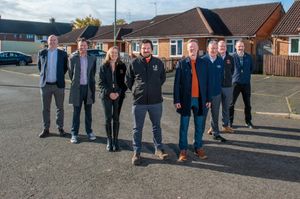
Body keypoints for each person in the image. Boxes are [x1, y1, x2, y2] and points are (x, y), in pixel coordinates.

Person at [125, 39, 168, 165]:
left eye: (148, 48)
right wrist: (136, 90)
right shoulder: (134, 63)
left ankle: (158, 149)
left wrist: (154, 88)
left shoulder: (158, 62)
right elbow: (128, 80)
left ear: (151, 49)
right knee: (137, 128)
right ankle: (137, 152)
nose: (146, 50)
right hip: (139, 101)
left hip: (156, 101)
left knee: (156, 126)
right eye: (143, 48)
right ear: (140, 49)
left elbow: (162, 78)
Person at [173, 39, 212, 162]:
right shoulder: (182, 63)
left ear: (198, 49)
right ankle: (183, 150)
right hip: (185, 100)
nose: (192, 49)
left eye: (194, 47)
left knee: (199, 125)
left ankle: (198, 147)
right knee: (184, 126)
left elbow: (208, 83)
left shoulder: (204, 63)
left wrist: (209, 98)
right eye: (190, 48)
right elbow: (176, 84)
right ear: (187, 49)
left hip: (200, 100)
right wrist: (176, 100)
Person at [38, 35, 68, 138]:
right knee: (45, 108)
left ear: (57, 42)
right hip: (45, 85)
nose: (53, 41)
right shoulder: (42, 53)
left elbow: (64, 68)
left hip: (58, 85)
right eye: (51, 40)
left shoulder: (63, 54)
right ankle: (46, 129)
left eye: (54, 40)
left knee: (60, 108)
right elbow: (40, 67)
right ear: (48, 41)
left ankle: (60, 128)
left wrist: (58, 77)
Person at [69, 38, 97, 144]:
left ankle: (89, 132)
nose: (83, 47)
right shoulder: (72, 58)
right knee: (76, 113)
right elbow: (71, 73)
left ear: (87, 46)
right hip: (77, 89)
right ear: (78, 46)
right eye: (81, 45)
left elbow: (93, 73)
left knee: (88, 112)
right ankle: (74, 134)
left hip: (88, 88)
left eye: (84, 45)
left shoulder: (92, 58)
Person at [99, 46, 127, 152]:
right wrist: (110, 93)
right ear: (109, 54)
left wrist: (118, 93)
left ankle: (115, 141)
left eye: (116, 53)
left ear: (118, 54)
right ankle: (109, 141)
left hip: (118, 96)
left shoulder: (122, 66)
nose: (114, 54)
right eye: (112, 52)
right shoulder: (103, 66)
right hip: (106, 96)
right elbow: (100, 83)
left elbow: (124, 82)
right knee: (108, 119)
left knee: (116, 118)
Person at [203, 40, 227, 142]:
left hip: (216, 93)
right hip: (204, 95)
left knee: (215, 114)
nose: (213, 50)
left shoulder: (220, 61)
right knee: (202, 116)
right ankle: (199, 137)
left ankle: (216, 133)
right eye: (211, 48)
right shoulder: (203, 60)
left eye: (215, 48)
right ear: (207, 49)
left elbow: (221, 76)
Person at [229, 40, 254, 129]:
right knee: (231, 104)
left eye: (242, 46)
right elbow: (229, 70)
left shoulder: (248, 57)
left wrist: (245, 76)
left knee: (248, 104)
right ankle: (230, 122)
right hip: (235, 83)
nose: (240, 48)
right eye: (239, 46)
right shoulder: (232, 57)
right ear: (235, 47)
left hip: (246, 83)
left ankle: (248, 121)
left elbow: (251, 68)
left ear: (244, 47)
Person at [218, 40, 234, 133]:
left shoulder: (230, 58)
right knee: (215, 108)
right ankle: (213, 126)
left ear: (226, 47)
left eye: (224, 46)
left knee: (226, 107)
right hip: (217, 86)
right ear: (218, 48)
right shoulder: (215, 57)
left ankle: (225, 126)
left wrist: (227, 79)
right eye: (220, 46)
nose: (222, 48)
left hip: (227, 86)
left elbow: (232, 70)